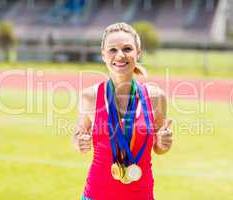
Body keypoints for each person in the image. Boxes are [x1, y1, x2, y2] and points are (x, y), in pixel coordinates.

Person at [72, 22, 173, 200]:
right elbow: (78, 137)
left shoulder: (156, 97)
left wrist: (164, 143)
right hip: (96, 194)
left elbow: (159, 149)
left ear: (138, 52)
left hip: (141, 195)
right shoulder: (89, 97)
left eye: (127, 48)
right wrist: (79, 142)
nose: (120, 55)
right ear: (103, 55)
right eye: (112, 50)